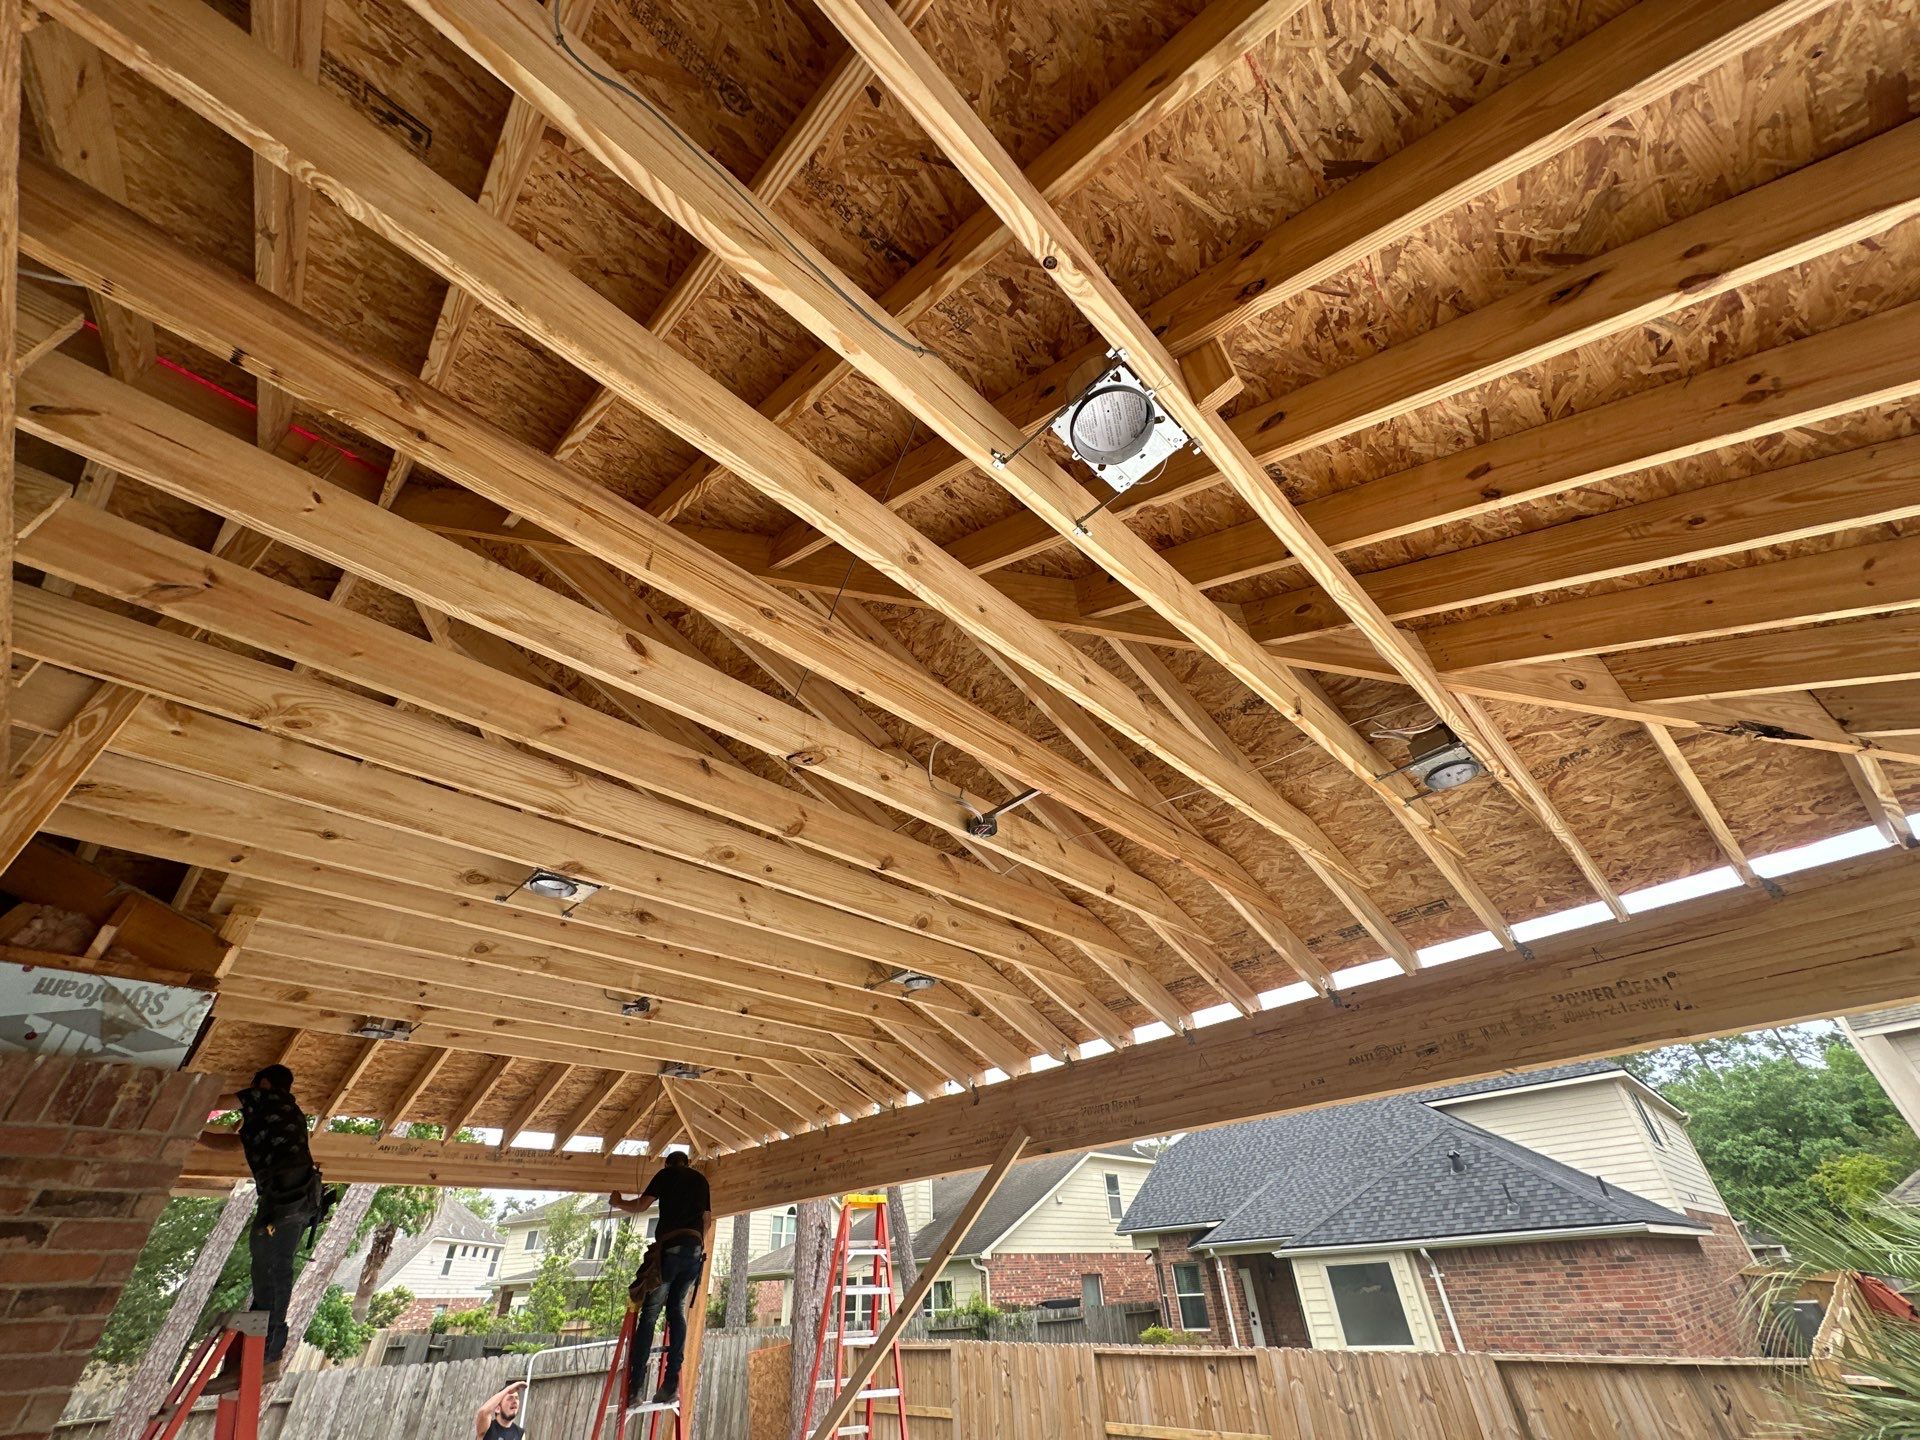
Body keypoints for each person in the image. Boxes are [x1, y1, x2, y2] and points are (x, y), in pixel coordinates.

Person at [217, 1064, 323, 1387]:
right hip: (286, 1196)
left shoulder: (272, 1099)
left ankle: (268, 1354)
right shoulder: (269, 1119)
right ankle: (259, 1352)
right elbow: (231, 1144)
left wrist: (184, 1101)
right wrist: (186, 1131)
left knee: (274, 1266)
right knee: (265, 1264)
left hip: (288, 1195)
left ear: (263, 1083)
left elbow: (218, 1101)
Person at [610, 1150, 711, 1406]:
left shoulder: (665, 1175)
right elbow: (707, 1221)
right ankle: (670, 1384)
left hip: (671, 1250)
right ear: (688, 1163)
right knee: (676, 1309)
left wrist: (618, 1201)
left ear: (668, 1163)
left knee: (651, 1313)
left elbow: (642, 1205)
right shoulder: (701, 1180)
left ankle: (637, 1387)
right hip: (694, 1251)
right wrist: (696, 1244)